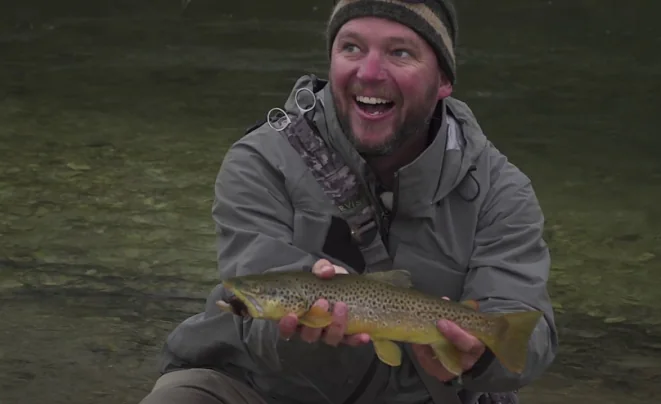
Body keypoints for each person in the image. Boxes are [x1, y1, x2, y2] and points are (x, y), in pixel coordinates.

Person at [139, 0, 558, 403]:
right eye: (351, 47)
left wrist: (476, 357)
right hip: (265, 391)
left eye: (400, 52)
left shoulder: (500, 190)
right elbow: (256, 327)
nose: (370, 72)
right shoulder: (262, 160)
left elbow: (527, 334)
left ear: (444, 81)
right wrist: (303, 334)